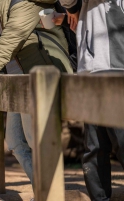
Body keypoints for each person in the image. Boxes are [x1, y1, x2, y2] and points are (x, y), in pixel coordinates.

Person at [0, 0, 73, 196]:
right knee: (15, 141)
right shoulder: (0, 9)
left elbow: (8, 43)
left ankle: (51, 193)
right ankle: (44, 191)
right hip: (16, 80)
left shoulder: (22, 3)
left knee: (32, 139)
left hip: (36, 77)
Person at [55, 1, 124, 200]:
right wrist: (71, 10)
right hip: (90, 69)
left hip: (115, 67)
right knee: (94, 147)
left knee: (120, 140)